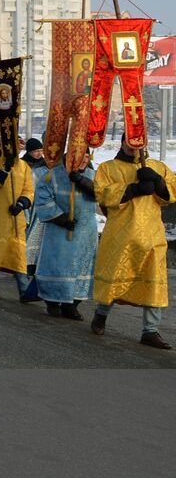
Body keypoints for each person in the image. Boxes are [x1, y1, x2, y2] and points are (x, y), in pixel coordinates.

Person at [90, 137, 176, 348]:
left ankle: (150, 330)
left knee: (154, 282)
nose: (133, 147)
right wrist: (133, 189)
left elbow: (172, 192)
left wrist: (158, 181)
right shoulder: (107, 168)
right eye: (129, 143)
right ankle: (101, 314)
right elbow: (102, 194)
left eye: (138, 144)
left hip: (152, 235)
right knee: (115, 278)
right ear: (122, 143)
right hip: (122, 235)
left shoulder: (158, 166)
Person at [32, 154, 97, 320]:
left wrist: (82, 182)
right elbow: (42, 198)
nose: (83, 160)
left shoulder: (93, 175)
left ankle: (72, 304)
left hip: (85, 233)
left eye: (86, 157)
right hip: (59, 234)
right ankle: (53, 302)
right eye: (79, 156)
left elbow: (103, 194)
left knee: (82, 268)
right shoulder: (52, 175)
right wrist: (61, 218)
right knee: (58, 267)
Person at [0, 137, 36, 301]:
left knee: (18, 254)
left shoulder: (24, 166)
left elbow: (29, 190)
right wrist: (4, 169)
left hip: (15, 218)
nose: (17, 150)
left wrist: (21, 203)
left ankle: (23, 291)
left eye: (19, 147)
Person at [19, 138, 48, 301]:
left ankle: (32, 267)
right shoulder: (23, 165)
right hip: (27, 206)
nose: (39, 154)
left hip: (41, 208)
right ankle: (24, 268)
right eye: (36, 151)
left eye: (40, 151)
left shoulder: (46, 166)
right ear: (29, 152)